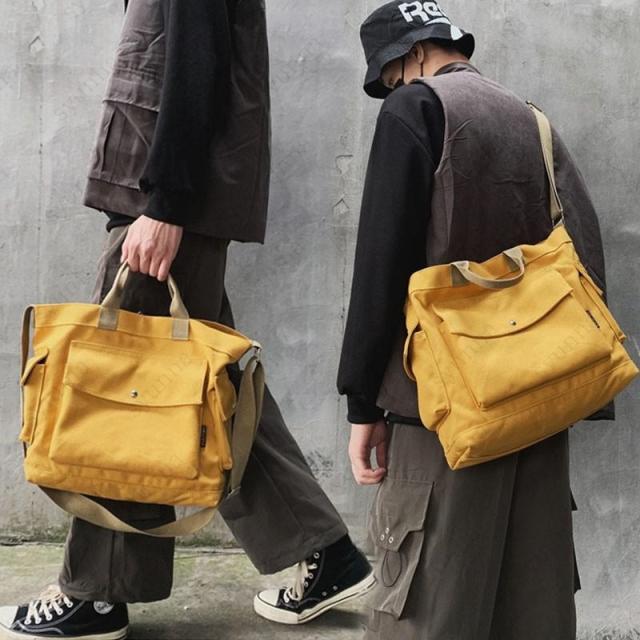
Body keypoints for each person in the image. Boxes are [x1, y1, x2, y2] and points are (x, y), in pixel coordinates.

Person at [0, 1, 374, 638]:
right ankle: (323, 549)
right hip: (169, 205)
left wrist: (165, 205)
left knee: (122, 388)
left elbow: (196, 68)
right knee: (218, 393)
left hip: (166, 208)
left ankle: (98, 595)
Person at [337, 1, 613, 638]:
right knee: (531, 611)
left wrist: (362, 402)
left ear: (411, 55)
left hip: (443, 411)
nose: (394, 91)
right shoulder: (530, 118)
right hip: (534, 401)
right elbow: (584, 249)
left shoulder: (415, 108)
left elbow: (382, 260)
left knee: (428, 608)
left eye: (390, 78)